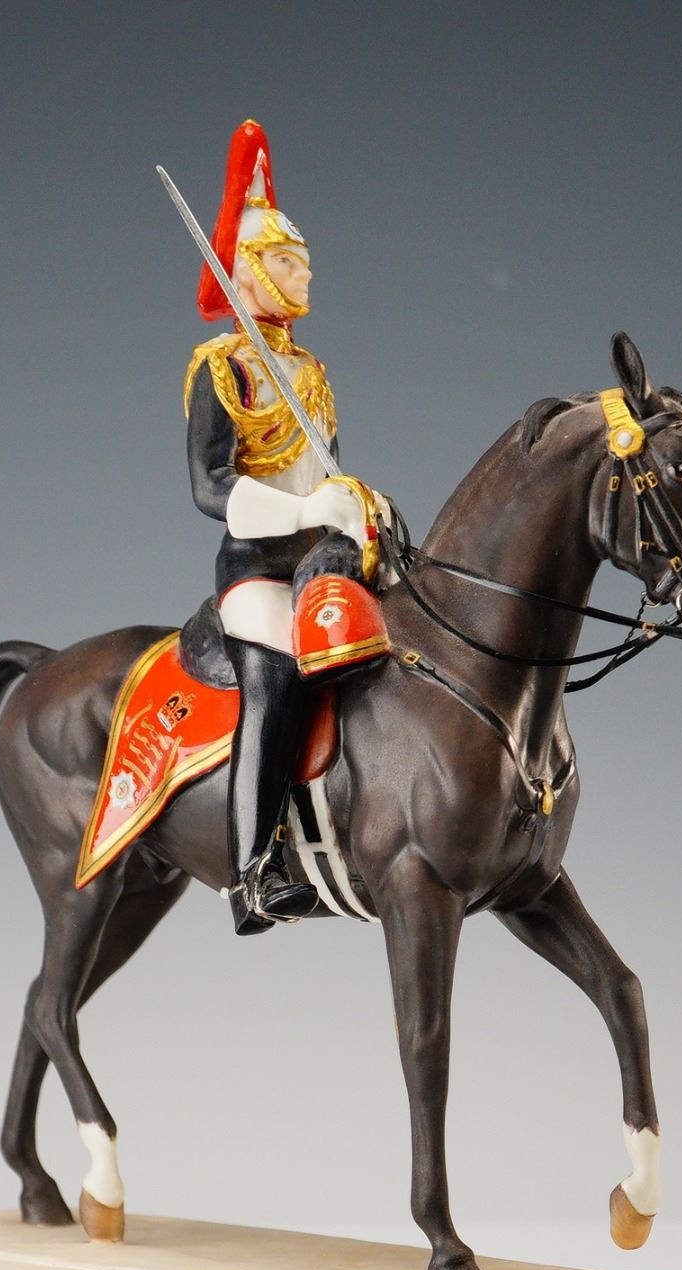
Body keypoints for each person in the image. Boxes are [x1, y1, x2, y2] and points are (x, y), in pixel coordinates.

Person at [183, 120, 390, 935]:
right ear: (245, 268)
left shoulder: (310, 371)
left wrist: (353, 506)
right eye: (285, 260)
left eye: (303, 260)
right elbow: (209, 485)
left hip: (321, 558)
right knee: (275, 676)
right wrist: (302, 511)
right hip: (257, 568)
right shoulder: (221, 367)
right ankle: (253, 875)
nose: (303, 272)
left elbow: (326, 469)